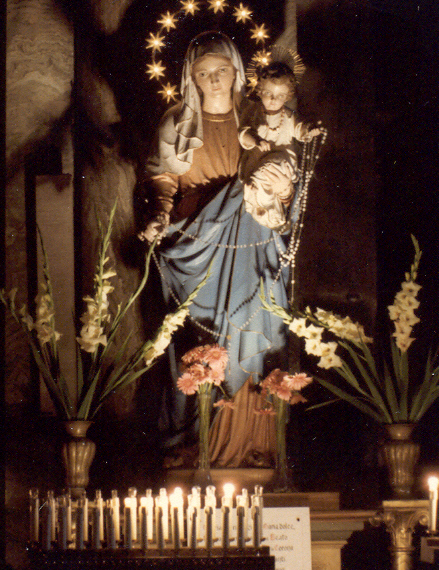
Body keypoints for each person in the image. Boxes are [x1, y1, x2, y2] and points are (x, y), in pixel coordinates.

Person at [137, 32, 297, 468]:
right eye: (203, 72)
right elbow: (163, 178)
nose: (213, 79)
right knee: (200, 339)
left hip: (251, 237)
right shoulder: (176, 121)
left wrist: (281, 190)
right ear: (191, 76)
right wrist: (160, 213)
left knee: (251, 332)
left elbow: (284, 169)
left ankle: (250, 443)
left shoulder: (257, 115)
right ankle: (195, 441)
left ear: (236, 72)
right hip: (198, 238)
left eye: (221, 70)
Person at [238, 62, 321, 233]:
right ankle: (265, 211)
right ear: (260, 91)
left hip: (281, 162)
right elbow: (243, 133)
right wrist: (256, 140)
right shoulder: (253, 112)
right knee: (259, 186)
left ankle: (272, 214)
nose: (274, 100)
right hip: (256, 159)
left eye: (280, 95)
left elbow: (300, 129)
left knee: (267, 174)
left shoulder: (289, 116)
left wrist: (309, 130)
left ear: (287, 96)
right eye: (268, 93)